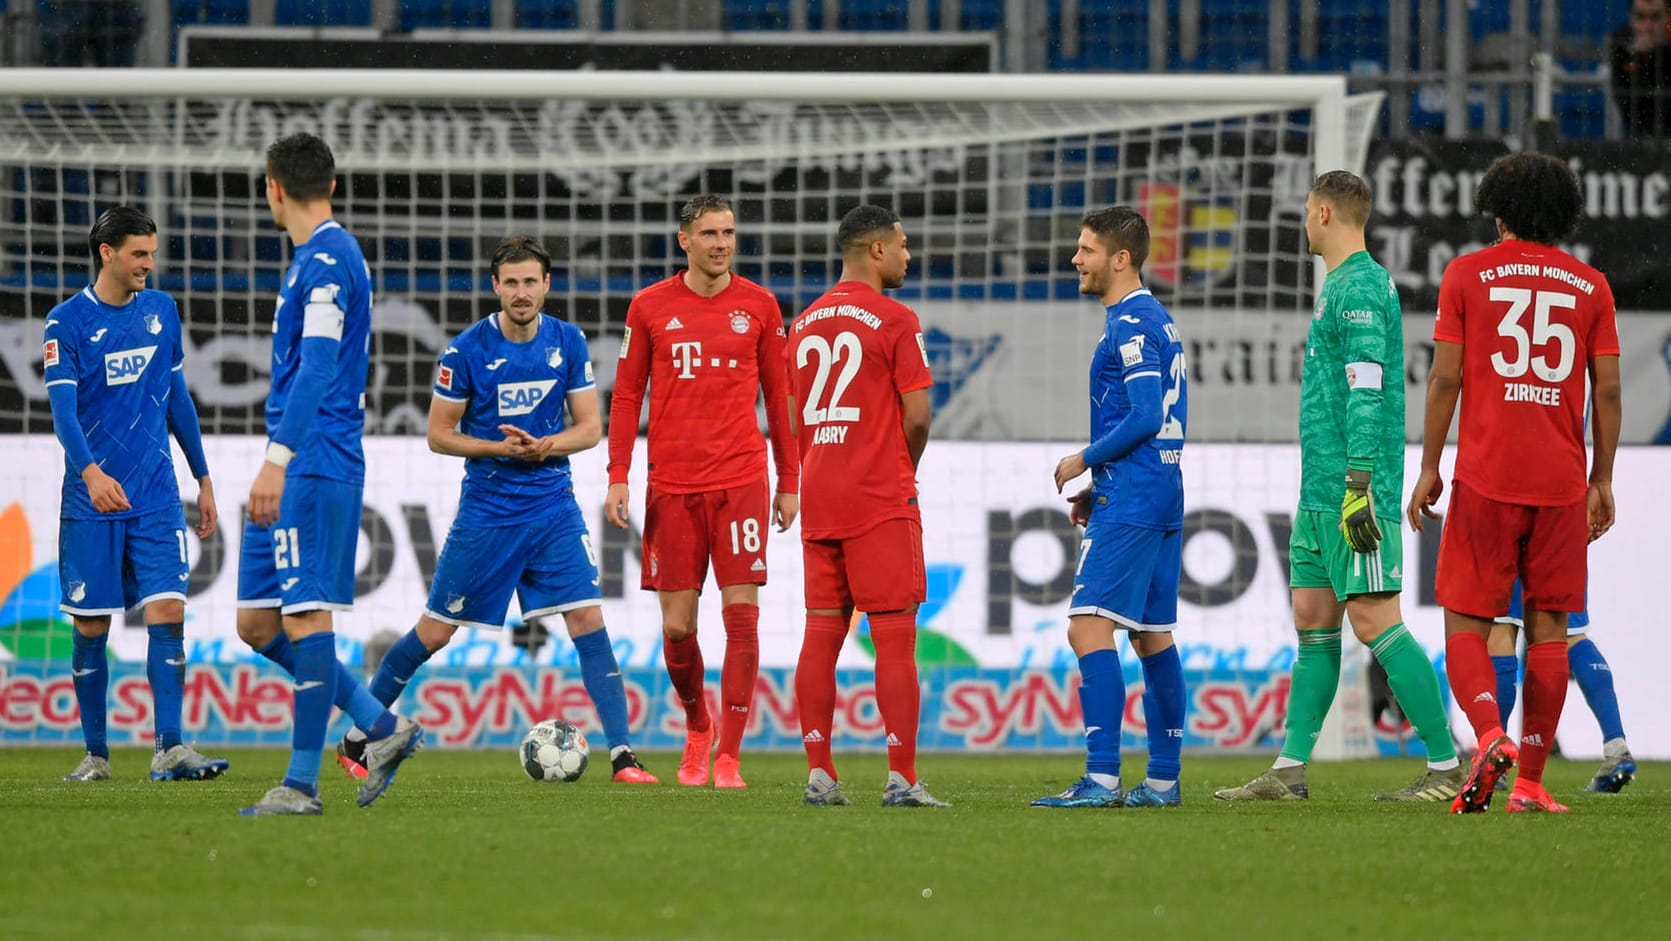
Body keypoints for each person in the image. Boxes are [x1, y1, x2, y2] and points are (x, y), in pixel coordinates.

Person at [336, 236, 657, 785]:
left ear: (546, 285)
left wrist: (544, 446)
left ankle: (623, 755)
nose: (521, 292)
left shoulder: (567, 342)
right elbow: (439, 435)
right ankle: (356, 737)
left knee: (587, 619)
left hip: (553, 506)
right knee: (436, 632)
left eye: (531, 281)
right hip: (488, 510)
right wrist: (501, 449)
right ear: (495, 287)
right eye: (511, 282)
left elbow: (589, 427)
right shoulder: (465, 351)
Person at [1217, 171, 1464, 804]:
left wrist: (1360, 483)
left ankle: (1446, 766)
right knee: (1313, 617)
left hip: (1357, 489)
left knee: (1375, 620)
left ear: (1324, 212)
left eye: (1305, 211)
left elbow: (1368, 388)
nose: (1302, 223)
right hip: (1320, 490)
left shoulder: (1358, 286)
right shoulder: (1340, 286)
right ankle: (1290, 770)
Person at [1408, 152, 1621, 815]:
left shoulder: (1467, 274)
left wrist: (1429, 464)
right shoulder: (1590, 285)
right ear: (1562, 214)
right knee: (1550, 627)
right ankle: (1528, 782)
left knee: (1466, 618)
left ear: (1496, 208)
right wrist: (1601, 477)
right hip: (1559, 482)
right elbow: (1607, 390)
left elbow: (1445, 378)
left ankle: (1489, 735)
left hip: (1487, 475)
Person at [234, 133, 422, 816]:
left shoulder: (327, 261)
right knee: (257, 623)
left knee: (307, 617)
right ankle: (381, 725)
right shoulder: (314, 260)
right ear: (332, 185)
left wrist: (275, 461)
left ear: (273, 189)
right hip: (301, 454)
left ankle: (301, 783)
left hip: (314, 458)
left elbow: (316, 367)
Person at [604, 194, 798, 789]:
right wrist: (618, 474)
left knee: (743, 619)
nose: (721, 243)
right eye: (710, 233)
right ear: (683, 239)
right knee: (680, 628)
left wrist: (789, 479)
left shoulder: (760, 306)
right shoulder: (650, 307)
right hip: (672, 484)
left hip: (740, 479)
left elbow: (780, 397)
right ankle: (697, 725)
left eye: (729, 233)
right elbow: (627, 394)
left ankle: (731, 756)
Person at [44, 207, 229, 783]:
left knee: (169, 610)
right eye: (139, 254)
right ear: (107, 253)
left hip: (154, 493)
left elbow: (177, 399)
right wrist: (93, 474)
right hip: (92, 501)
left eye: (151, 253)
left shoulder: (161, 311)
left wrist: (201, 477)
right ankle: (96, 755)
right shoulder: (66, 323)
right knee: (92, 626)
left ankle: (170, 748)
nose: (149, 264)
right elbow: (63, 412)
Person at [1030, 207, 1188, 810]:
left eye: (1087, 250)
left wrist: (1085, 460)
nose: (1077, 259)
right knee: (1153, 637)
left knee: (1086, 627)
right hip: (1159, 490)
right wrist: (1101, 485)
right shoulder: (1157, 321)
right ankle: (1164, 781)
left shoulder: (1131, 325)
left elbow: (1146, 413)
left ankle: (1100, 778)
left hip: (1135, 499)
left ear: (1120, 259)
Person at [790, 204, 947, 809]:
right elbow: (919, 415)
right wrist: (900, 467)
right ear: (877, 250)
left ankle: (820, 773)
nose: (909, 255)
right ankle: (902, 779)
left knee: (821, 633)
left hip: (822, 493)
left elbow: (794, 418)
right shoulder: (895, 319)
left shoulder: (801, 325)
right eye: (903, 245)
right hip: (879, 497)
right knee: (894, 637)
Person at [1490, 581, 1635, 794]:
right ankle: (1616, 745)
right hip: (1562, 551)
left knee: (1502, 631)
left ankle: (1494, 762)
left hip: (1511, 552)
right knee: (1572, 636)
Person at [1609, 0, 1671, 139]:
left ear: (1668, 17)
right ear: (1630, 17)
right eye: (1640, 17)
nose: (1647, 26)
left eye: (1656, 17)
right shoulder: (1623, 43)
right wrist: (1642, 60)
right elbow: (1628, 109)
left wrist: (1657, 52)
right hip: (1640, 139)